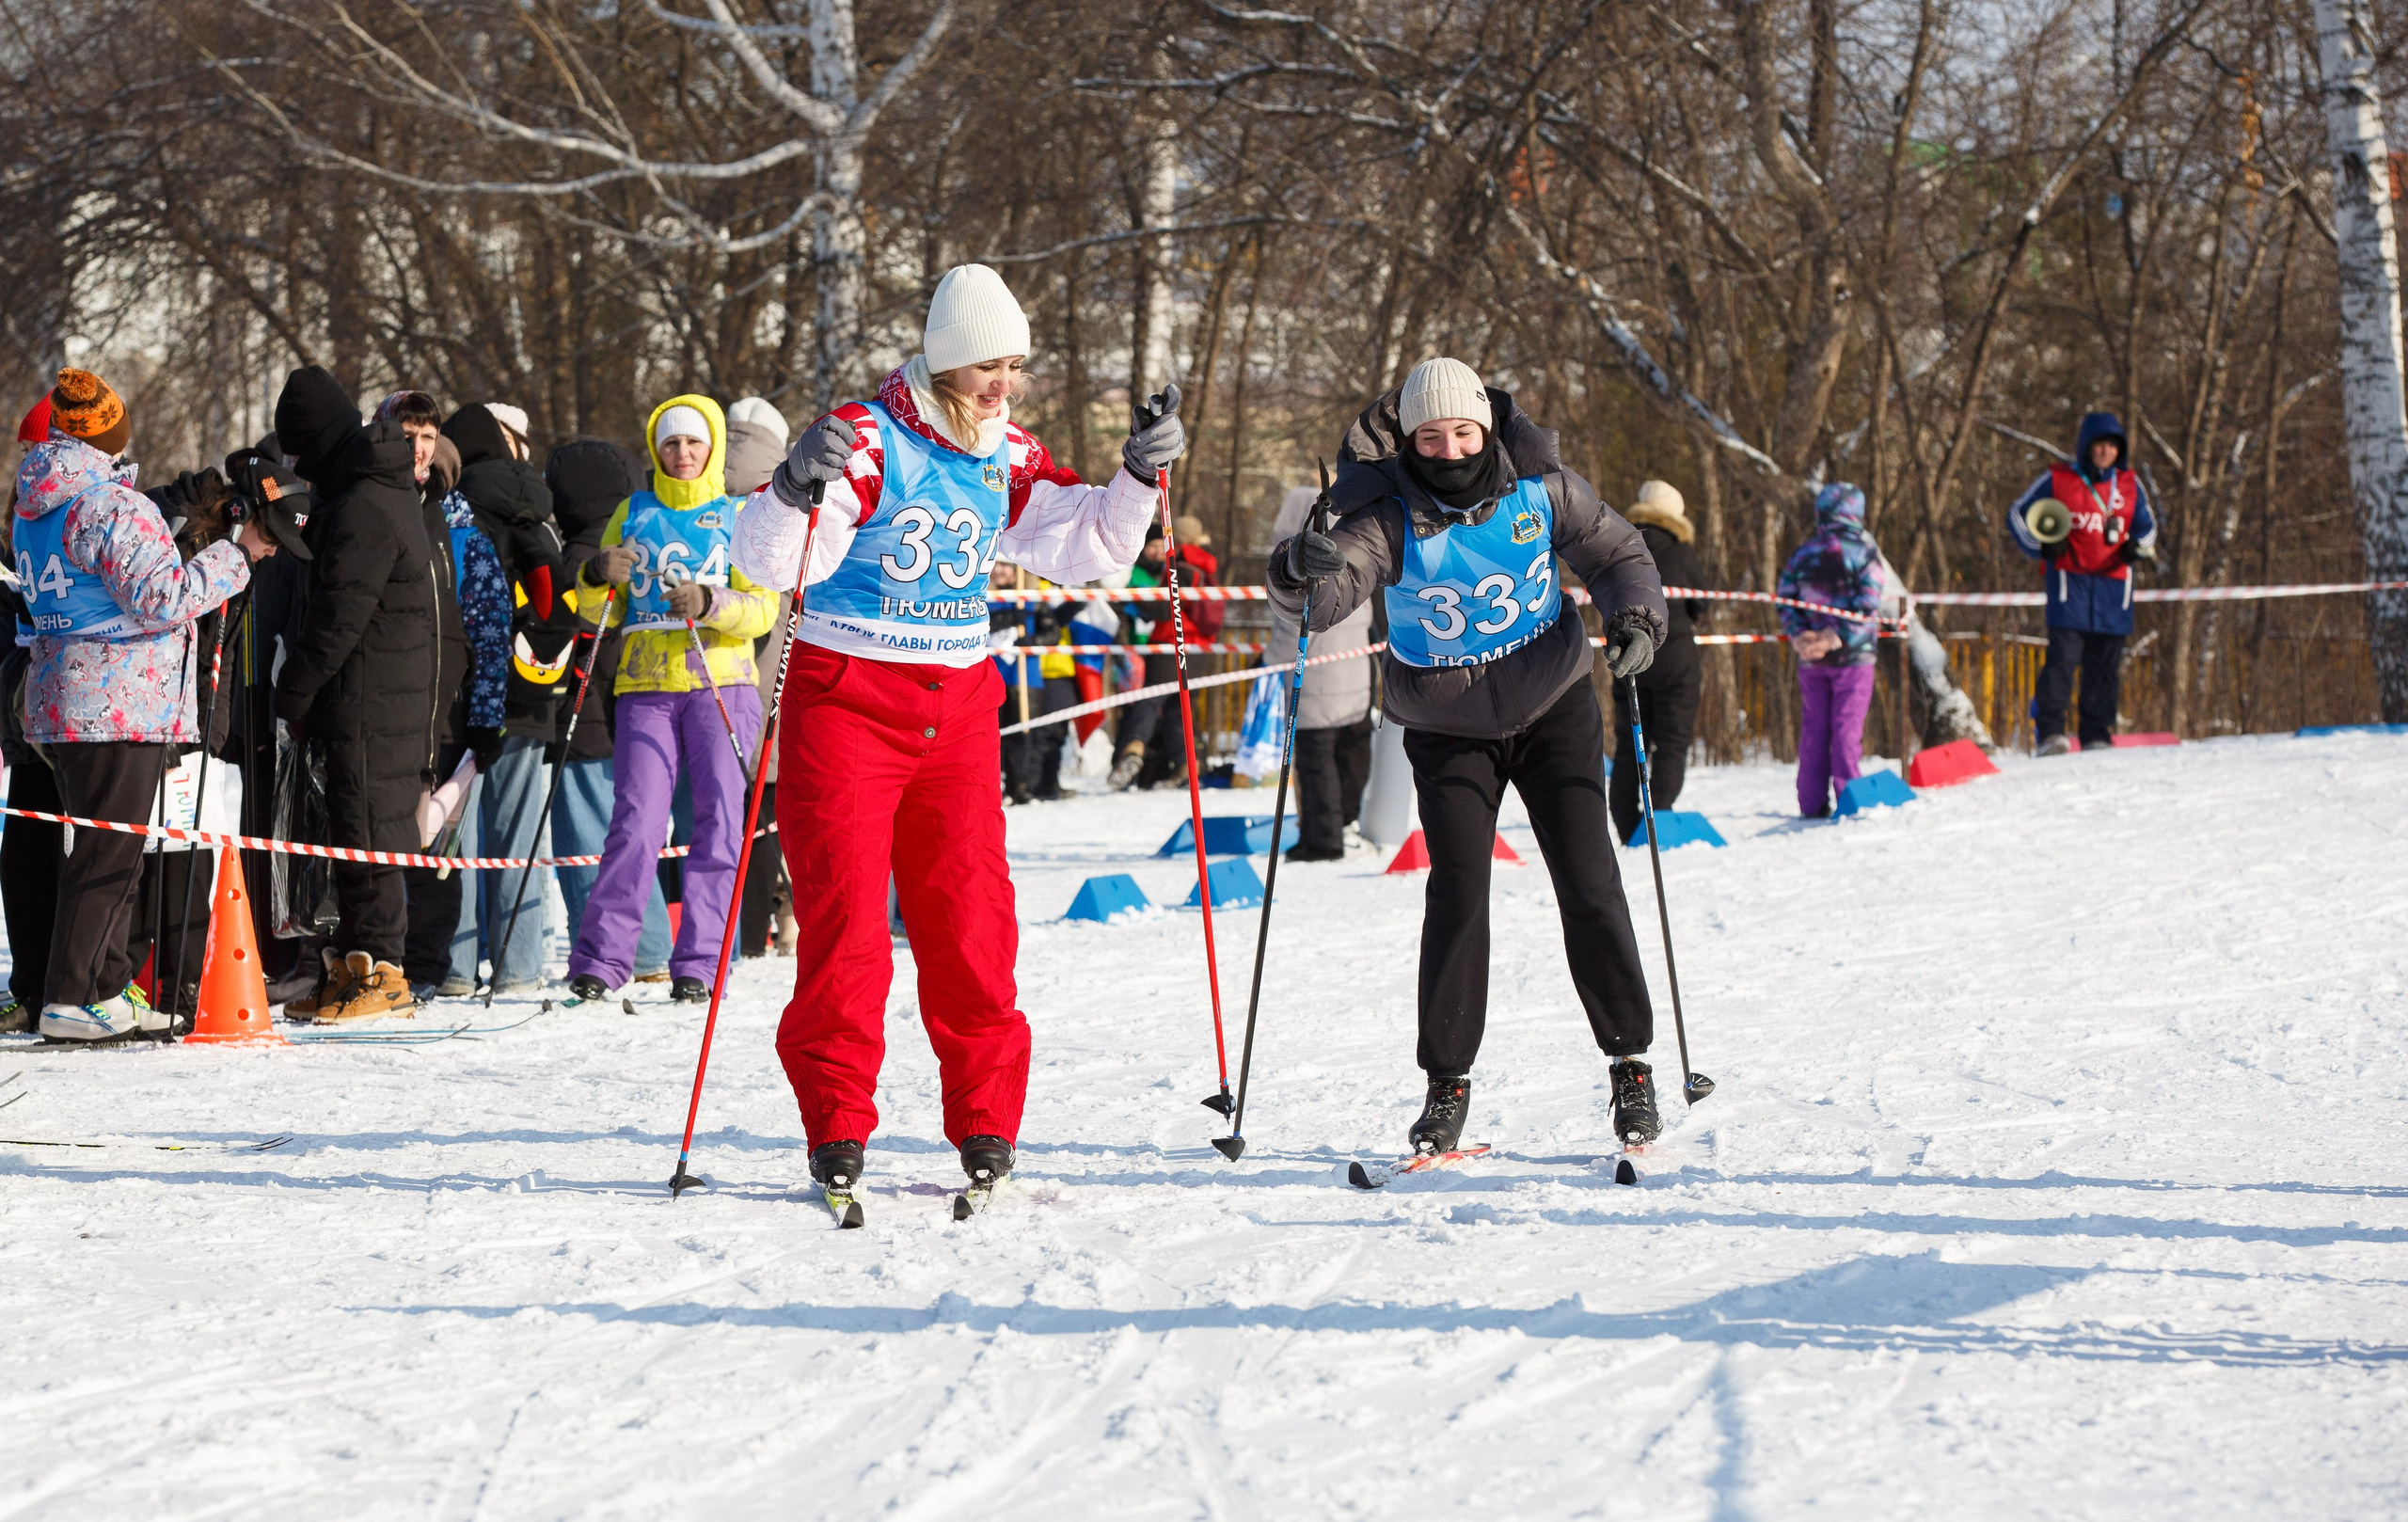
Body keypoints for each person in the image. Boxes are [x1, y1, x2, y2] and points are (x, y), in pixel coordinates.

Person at [731, 261, 1184, 1200]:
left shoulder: (1004, 452)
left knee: (971, 922)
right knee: (848, 922)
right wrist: (786, 489)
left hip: (958, 703)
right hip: (849, 695)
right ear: (945, 359)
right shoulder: (864, 437)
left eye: (1014, 368)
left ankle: (985, 1119)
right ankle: (837, 1122)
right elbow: (775, 563)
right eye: (990, 367)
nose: (1004, 385)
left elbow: (1091, 543)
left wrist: (1139, 473)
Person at [1268, 357, 1670, 1153]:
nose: (1449, 448)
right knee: (1457, 895)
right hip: (1448, 727)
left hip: (1554, 707)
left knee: (1590, 881)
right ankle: (1446, 1083)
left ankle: (1630, 1064)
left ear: (1485, 427)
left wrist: (1636, 623)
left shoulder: (1540, 489)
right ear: (1411, 440)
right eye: (1430, 434)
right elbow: (1326, 595)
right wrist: (1296, 569)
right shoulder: (1385, 515)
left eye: (1461, 430)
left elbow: (1618, 554)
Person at [14, 370, 277, 1040]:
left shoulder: (38, 503)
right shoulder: (109, 506)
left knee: (112, 853)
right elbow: (161, 599)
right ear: (110, 433)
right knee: (108, 857)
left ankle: (101, 988)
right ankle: (72, 996)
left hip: (67, 699)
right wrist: (237, 555)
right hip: (118, 703)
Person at [565, 395, 775, 1005]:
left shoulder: (739, 516)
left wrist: (712, 603)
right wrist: (598, 573)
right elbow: (593, 609)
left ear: (711, 448)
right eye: (671, 444)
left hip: (721, 685)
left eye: (693, 443)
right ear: (656, 450)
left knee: (718, 825)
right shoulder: (632, 511)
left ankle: (702, 963)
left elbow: (762, 609)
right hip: (646, 688)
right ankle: (602, 960)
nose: (682, 454)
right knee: (635, 824)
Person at [273, 365, 441, 1023]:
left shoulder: (366, 504)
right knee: (351, 828)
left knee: (369, 833)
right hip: (366, 695)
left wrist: (295, 692)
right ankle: (350, 965)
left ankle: (383, 970)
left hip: (373, 696)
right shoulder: (368, 488)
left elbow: (337, 616)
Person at [439, 402, 563, 994]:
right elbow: (554, 600)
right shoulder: (537, 505)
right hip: (531, 687)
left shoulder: (454, 506)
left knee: (457, 827)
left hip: (465, 688)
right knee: (517, 833)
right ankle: (519, 967)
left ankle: (457, 967)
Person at [543, 438, 672, 980]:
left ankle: (617, 947)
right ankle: (650, 948)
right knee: (628, 833)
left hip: (587, 711)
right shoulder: (634, 542)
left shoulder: (580, 559)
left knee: (588, 838)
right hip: (630, 712)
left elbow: (585, 638)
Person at [2006, 412, 2158, 754]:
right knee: (2062, 661)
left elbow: (2148, 528)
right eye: (2099, 445)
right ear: (2086, 447)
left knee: (2104, 668)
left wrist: (2138, 547)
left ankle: (2096, 734)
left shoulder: (2131, 486)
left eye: (2112, 446)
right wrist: (2041, 545)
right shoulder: (2059, 480)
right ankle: (2050, 734)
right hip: (2069, 588)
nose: (2105, 452)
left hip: (2113, 591)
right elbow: (2017, 514)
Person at [1265, 484, 1373, 863]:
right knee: (1349, 750)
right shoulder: (1354, 561)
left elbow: (1287, 628)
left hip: (1313, 680)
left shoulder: (1293, 570)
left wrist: (1268, 662)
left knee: (1314, 759)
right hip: (1354, 675)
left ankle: (1322, 838)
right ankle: (1346, 822)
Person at [1611, 479, 1710, 845]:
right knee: (1672, 740)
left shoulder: (1619, 544)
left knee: (1629, 742)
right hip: (1676, 657)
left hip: (1628, 658)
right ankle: (1661, 819)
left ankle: (1625, 822)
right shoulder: (1682, 552)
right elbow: (1702, 603)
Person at [1777, 484, 1885, 818]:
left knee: (1814, 730)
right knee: (1846, 729)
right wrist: (1835, 637)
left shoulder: (1803, 554)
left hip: (1812, 659)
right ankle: (1850, 803)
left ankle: (1810, 804)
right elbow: (1868, 605)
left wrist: (1801, 636)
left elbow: (1785, 599)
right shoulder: (1866, 553)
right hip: (1854, 657)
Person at [1107, 521, 1223, 789]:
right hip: (1198, 650)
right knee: (1178, 712)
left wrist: (1133, 597)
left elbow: (1164, 608)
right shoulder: (1204, 566)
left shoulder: (1181, 567)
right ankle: (1188, 767)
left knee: (1148, 701)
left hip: (1171, 645)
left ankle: (1132, 751)